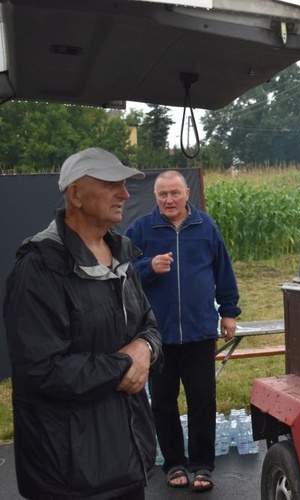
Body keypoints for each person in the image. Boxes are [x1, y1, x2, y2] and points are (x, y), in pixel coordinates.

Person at [3, 147, 162, 500]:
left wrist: (146, 346)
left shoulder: (122, 254)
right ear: (74, 194)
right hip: (71, 474)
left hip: (128, 460)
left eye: (124, 184)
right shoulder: (40, 266)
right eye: (110, 184)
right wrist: (125, 363)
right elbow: (39, 369)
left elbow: (148, 325)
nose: (123, 193)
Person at [125, 170, 241, 493]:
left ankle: (202, 465)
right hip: (156, 335)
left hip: (200, 331)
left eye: (174, 193)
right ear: (155, 197)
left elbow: (223, 271)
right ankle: (174, 462)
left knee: (202, 399)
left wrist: (229, 311)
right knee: (162, 401)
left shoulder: (206, 227)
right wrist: (149, 267)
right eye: (162, 194)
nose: (169, 200)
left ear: (187, 193)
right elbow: (120, 270)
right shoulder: (141, 230)